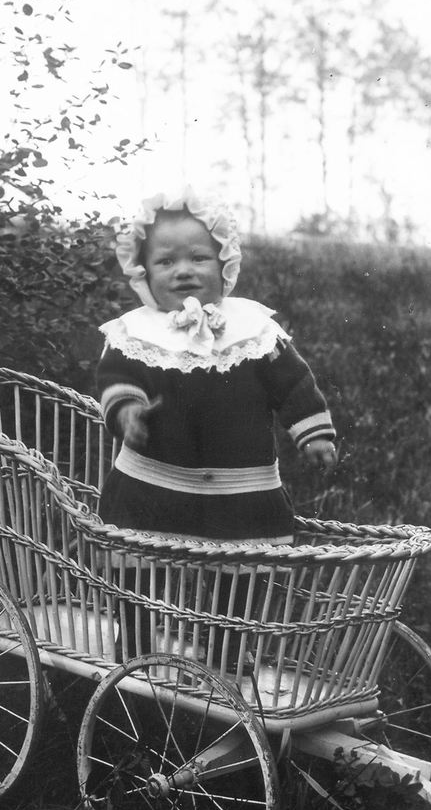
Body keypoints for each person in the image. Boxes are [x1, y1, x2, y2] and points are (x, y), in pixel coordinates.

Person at [95, 187, 337, 659]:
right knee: (137, 566)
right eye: (166, 261)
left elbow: (293, 384)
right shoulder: (135, 333)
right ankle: (136, 638)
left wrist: (314, 432)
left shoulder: (254, 329)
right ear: (143, 272)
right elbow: (116, 377)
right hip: (153, 483)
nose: (183, 270)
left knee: (240, 575)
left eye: (199, 257)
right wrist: (126, 410)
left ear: (225, 263)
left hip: (240, 488)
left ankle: (229, 648)